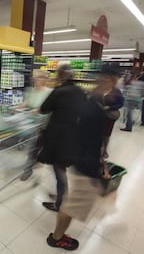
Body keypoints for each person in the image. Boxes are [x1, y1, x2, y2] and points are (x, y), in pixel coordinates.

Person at [45, 75, 106, 251]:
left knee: (69, 201)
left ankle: (57, 231)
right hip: (81, 163)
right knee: (71, 205)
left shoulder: (86, 103)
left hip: (74, 158)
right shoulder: (91, 106)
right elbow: (88, 138)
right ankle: (56, 238)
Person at [38, 65, 86, 213]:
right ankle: (60, 194)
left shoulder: (59, 91)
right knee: (61, 169)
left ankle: (60, 203)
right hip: (75, 135)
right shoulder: (81, 91)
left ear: (60, 76)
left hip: (58, 138)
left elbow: (44, 108)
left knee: (59, 170)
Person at [19, 70, 52, 181]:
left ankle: (31, 167)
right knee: (32, 148)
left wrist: (39, 110)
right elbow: (26, 103)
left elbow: (51, 108)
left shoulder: (49, 92)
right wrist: (17, 107)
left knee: (35, 148)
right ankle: (29, 167)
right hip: (32, 125)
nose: (35, 79)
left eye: (39, 77)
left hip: (44, 125)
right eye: (35, 77)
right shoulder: (31, 91)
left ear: (45, 79)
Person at [92, 67, 124, 158]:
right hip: (97, 115)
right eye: (104, 79)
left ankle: (105, 149)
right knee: (96, 133)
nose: (105, 81)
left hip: (109, 116)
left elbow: (120, 104)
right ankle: (95, 148)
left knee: (106, 134)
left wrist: (109, 107)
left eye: (108, 79)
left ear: (112, 81)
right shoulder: (97, 89)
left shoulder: (116, 92)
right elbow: (91, 99)